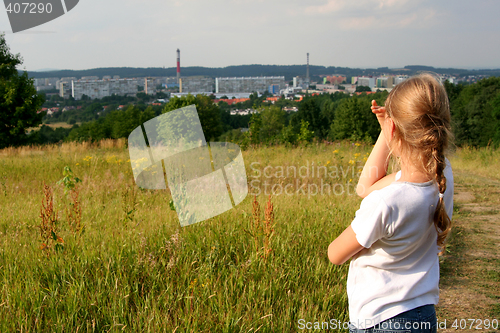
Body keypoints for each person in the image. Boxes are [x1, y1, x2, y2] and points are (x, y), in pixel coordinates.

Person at [327, 74, 454, 333]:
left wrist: (387, 133)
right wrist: (391, 127)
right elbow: (366, 188)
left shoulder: (388, 201)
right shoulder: (442, 177)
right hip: (422, 313)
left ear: (394, 130)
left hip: (380, 320)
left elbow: (335, 254)